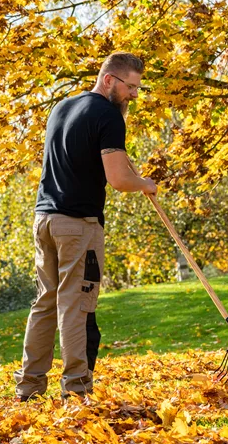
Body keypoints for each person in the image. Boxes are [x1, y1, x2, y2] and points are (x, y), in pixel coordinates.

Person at [14, 52, 157, 401]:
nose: (134, 95)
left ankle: (28, 387)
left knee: (45, 303)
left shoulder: (62, 108)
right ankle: (76, 391)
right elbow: (120, 179)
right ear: (109, 80)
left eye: (139, 88)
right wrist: (145, 183)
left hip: (44, 219)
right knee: (76, 306)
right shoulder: (108, 116)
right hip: (78, 225)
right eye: (131, 87)